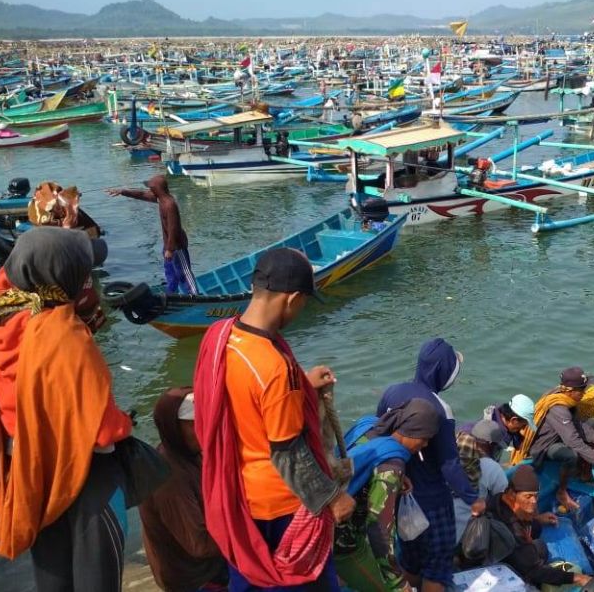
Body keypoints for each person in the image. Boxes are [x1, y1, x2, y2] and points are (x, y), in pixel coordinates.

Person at [192, 247, 356, 592]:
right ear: (292, 299)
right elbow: (288, 454)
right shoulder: (274, 367)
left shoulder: (221, 338)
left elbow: (246, 401)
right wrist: (334, 499)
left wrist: (304, 387)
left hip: (239, 494)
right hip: (281, 508)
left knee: (250, 579)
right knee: (304, 582)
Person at [0, 228, 133, 592]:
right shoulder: (62, 333)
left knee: (51, 580)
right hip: (84, 476)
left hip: (30, 471)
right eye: (83, 271)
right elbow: (99, 432)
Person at [376, 338, 481, 592]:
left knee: (410, 559)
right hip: (433, 502)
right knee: (437, 567)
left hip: (400, 493)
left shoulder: (392, 392)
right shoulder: (440, 408)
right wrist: (472, 498)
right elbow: (449, 464)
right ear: (442, 372)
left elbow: (379, 434)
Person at [334, 398, 441, 592]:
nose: (425, 444)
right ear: (412, 430)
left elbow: (361, 458)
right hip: (343, 542)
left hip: (320, 511)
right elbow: (379, 530)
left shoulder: (368, 426)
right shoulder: (391, 467)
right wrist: (397, 582)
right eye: (424, 437)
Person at [140, 388, 228, 592]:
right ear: (173, 428)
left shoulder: (189, 452)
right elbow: (201, 545)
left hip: (208, 564)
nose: (204, 428)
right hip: (196, 577)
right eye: (193, 424)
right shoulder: (168, 477)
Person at [517, 367, 594, 511]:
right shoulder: (558, 408)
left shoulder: (564, 397)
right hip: (545, 446)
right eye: (581, 390)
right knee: (571, 455)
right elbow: (573, 441)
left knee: (593, 423)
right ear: (570, 391)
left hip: (561, 433)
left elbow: (576, 423)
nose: (584, 393)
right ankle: (562, 492)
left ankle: (584, 472)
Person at [486, 465, 592, 589]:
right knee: (539, 552)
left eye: (536, 496)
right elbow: (535, 571)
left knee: (537, 536)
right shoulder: (514, 530)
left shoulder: (499, 500)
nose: (534, 501)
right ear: (513, 494)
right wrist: (578, 578)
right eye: (528, 496)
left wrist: (537, 519)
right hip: (499, 569)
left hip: (503, 551)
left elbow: (520, 519)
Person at [108, 175, 197, 294]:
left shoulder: (170, 205)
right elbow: (141, 194)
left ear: (157, 189)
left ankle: (194, 295)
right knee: (170, 273)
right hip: (168, 246)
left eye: (151, 188)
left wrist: (170, 249)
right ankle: (171, 295)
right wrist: (122, 192)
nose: (149, 190)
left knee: (183, 273)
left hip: (177, 246)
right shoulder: (160, 199)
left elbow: (173, 229)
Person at [453, 420, 509, 542]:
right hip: (468, 537)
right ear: (490, 445)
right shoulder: (492, 467)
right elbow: (505, 503)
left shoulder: (452, 461)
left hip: (443, 530)